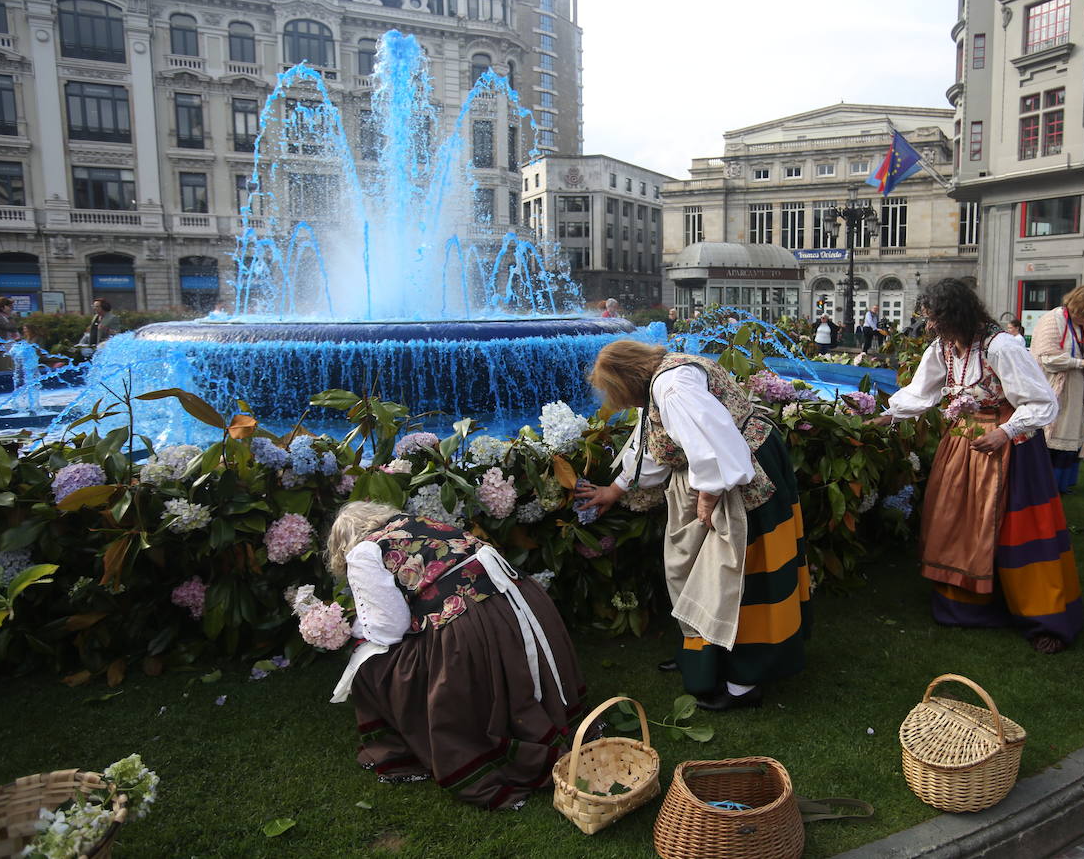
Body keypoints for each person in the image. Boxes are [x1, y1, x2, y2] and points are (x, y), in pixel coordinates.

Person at [574, 341, 809, 710]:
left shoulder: (673, 388)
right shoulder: (663, 380)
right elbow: (657, 442)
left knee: (735, 577)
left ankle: (743, 684)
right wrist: (615, 490)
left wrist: (708, 495)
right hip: (728, 471)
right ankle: (702, 659)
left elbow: (714, 446)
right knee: (695, 574)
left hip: (742, 479)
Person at [325, 501, 587, 808]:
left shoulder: (363, 552)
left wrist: (354, 628)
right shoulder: (418, 523)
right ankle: (547, 715)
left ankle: (426, 741)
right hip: (519, 600)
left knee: (369, 660)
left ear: (342, 545)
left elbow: (388, 629)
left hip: (473, 620)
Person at [874, 278, 1082, 654]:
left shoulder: (1000, 346)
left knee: (1014, 528)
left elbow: (1042, 402)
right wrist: (888, 415)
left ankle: (1041, 615)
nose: (931, 327)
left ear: (958, 314)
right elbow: (922, 392)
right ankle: (964, 604)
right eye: (929, 319)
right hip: (962, 445)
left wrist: (1005, 432)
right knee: (957, 519)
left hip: (1010, 450)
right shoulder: (944, 348)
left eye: (936, 319)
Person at [1029, 285, 1084, 493]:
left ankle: (1063, 483)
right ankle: (1046, 484)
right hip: (1054, 388)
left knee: (1073, 435)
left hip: (1079, 389)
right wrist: (1082, 363)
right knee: (1052, 434)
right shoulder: (1052, 320)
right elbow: (1047, 359)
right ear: (1082, 307)